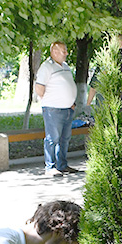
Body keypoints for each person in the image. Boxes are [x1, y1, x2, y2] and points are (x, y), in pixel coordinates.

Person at [35, 42, 79, 177]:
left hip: (67, 109)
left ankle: (62, 165)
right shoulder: (47, 67)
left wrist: (70, 101)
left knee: (64, 139)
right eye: (63, 51)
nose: (66, 53)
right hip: (53, 110)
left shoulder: (65, 67)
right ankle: (50, 167)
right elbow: (39, 88)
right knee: (52, 138)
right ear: (54, 51)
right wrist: (51, 101)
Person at [87, 34, 122, 108]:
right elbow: (93, 86)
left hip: (121, 105)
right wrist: (88, 105)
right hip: (103, 106)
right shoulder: (104, 61)